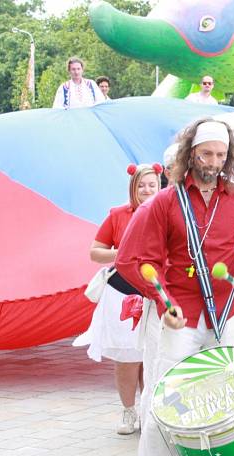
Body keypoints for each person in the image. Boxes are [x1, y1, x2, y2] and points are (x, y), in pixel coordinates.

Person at [115, 118, 234, 456]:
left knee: (215, 405)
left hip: (225, 312)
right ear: (191, 155)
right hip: (180, 315)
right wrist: (161, 300)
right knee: (165, 402)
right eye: (206, 154)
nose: (213, 162)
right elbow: (134, 259)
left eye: (221, 155)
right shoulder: (166, 201)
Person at [74, 163, 160, 434]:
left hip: (157, 294)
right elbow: (95, 252)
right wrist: (123, 252)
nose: (146, 190)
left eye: (152, 185)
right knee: (127, 356)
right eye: (141, 185)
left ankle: (150, 412)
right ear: (132, 188)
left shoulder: (169, 213)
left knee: (154, 355)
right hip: (123, 293)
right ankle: (128, 411)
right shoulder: (118, 215)